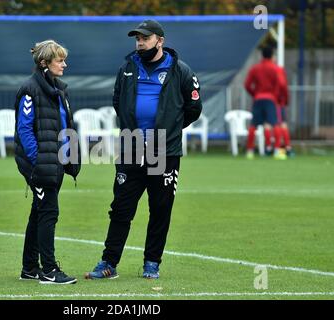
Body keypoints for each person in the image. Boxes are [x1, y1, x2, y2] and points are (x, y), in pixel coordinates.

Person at [85, 20, 202, 280]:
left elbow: (194, 108)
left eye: (144, 38)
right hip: (131, 146)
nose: (139, 43)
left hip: (164, 150)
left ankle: (152, 262)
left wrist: (170, 129)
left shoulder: (181, 71)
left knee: (160, 209)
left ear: (159, 41)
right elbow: (118, 101)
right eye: (137, 39)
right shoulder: (127, 68)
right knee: (121, 208)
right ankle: (108, 263)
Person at [14, 40, 80, 284]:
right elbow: (25, 129)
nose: (65, 64)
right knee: (49, 212)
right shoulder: (30, 89)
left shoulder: (59, 88)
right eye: (59, 60)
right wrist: (38, 161)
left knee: (39, 212)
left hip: (56, 162)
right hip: (42, 164)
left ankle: (30, 268)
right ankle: (49, 270)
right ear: (44, 63)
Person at [244, 46, 286, 160]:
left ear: (262, 55)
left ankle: (249, 151)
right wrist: (278, 97)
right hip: (271, 99)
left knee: (253, 125)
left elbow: (247, 85)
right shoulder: (276, 69)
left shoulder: (255, 68)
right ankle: (277, 150)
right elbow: (282, 85)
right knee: (275, 124)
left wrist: (255, 94)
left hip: (258, 99)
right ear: (272, 56)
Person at [275, 63, 293, 156]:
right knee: (282, 124)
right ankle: (285, 148)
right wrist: (285, 99)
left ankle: (271, 148)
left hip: (267, 101)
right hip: (278, 102)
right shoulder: (278, 70)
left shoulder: (258, 68)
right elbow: (283, 85)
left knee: (269, 125)